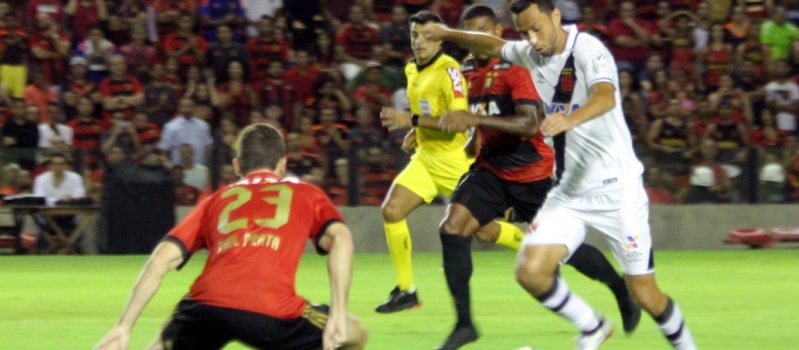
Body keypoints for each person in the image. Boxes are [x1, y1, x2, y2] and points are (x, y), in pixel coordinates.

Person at [422, 1, 697, 349]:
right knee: (531, 272)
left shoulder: (588, 49)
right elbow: (491, 45)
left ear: (555, 16)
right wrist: (447, 33)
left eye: (536, 28)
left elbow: (605, 95)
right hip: (569, 193)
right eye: (524, 33)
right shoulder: (531, 54)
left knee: (646, 294)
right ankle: (593, 326)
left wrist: (569, 119)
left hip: (618, 192)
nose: (532, 40)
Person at [94, 123, 367, 350]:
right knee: (353, 335)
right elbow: (340, 239)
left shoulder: (215, 200)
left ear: (237, 166)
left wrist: (124, 326)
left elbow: (160, 260)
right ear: (282, 165)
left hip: (206, 306)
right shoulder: (307, 194)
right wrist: (339, 314)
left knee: (159, 345)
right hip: (272, 311)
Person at [375, 11, 477, 317]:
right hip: (426, 159)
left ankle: (535, 249)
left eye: (426, 36)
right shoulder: (410, 69)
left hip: (454, 162)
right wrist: (416, 133)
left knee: (485, 231)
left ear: (440, 38)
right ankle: (407, 290)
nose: (418, 42)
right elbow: (428, 112)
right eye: (414, 36)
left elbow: (459, 123)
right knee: (392, 210)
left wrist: (412, 121)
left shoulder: (450, 72)